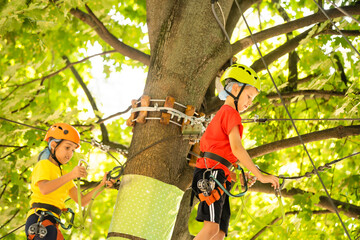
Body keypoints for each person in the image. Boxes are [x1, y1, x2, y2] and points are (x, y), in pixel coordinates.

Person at [191, 64, 280, 240]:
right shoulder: (230, 113)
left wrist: (234, 177)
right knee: (210, 230)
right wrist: (260, 175)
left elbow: (221, 156)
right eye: (249, 96)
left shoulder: (226, 114)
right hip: (210, 175)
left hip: (218, 175)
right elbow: (237, 149)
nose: (249, 103)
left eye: (252, 99)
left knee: (220, 233)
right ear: (236, 89)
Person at [25, 123, 115, 240]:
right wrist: (72, 175)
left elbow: (81, 201)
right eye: (67, 148)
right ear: (53, 145)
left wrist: (102, 185)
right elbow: (44, 189)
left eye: (73, 150)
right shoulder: (44, 165)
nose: (70, 154)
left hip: (51, 222)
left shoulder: (63, 175)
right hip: (39, 219)